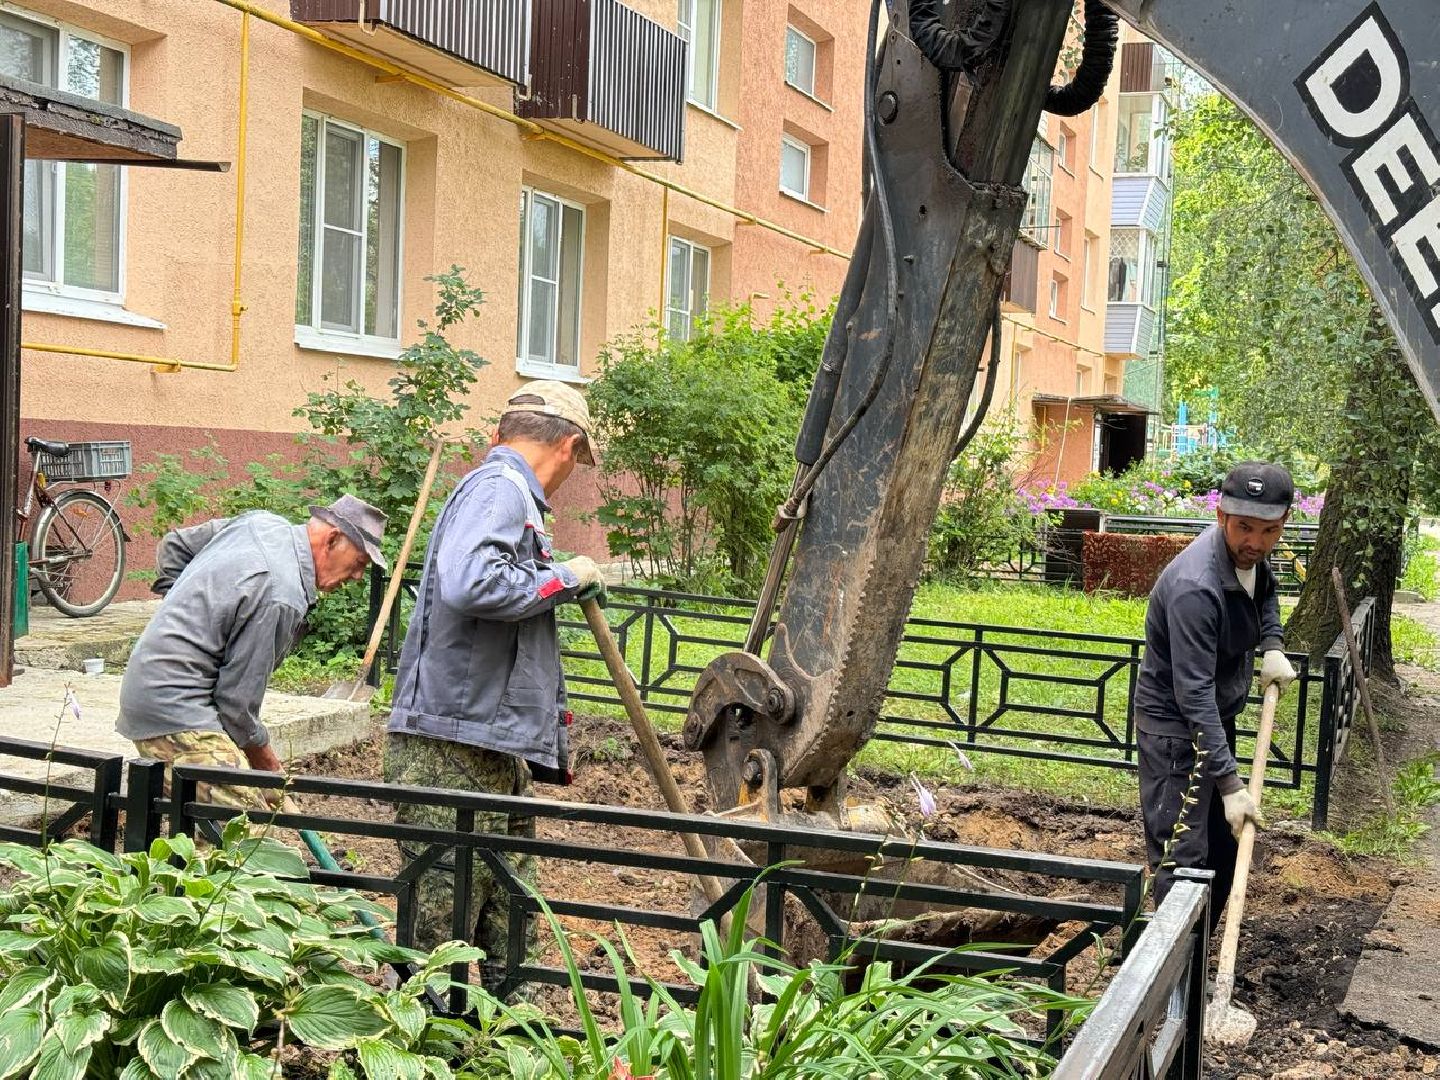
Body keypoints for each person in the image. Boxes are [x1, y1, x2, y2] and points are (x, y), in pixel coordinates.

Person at [384, 380, 607, 975]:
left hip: (486, 740)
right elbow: (471, 582)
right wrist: (564, 578)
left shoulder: (505, 493)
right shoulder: (501, 488)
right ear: (569, 445)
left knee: (508, 908)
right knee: (442, 923)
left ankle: (509, 1041)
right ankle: (429, 1055)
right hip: (449, 743)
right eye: (576, 463)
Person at [117, 495, 387, 809]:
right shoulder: (282, 594)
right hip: (174, 713)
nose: (357, 577)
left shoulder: (259, 523)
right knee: (247, 824)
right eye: (358, 563)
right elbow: (236, 706)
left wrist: (194, 612)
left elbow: (175, 545)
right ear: (332, 540)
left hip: (161, 694)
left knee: (219, 822)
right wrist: (269, 767)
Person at [1134, 462, 1298, 929]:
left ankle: (1200, 963)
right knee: (1181, 861)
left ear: (1282, 523)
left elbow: (1266, 589)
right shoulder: (1195, 589)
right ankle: (1172, 995)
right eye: (1244, 528)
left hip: (1210, 724)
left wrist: (1271, 645)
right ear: (1222, 515)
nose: (1256, 543)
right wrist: (1229, 786)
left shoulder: (1250, 557)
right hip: (1173, 733)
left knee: (1224, 852)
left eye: (1270, 531)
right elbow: (1193, 694)